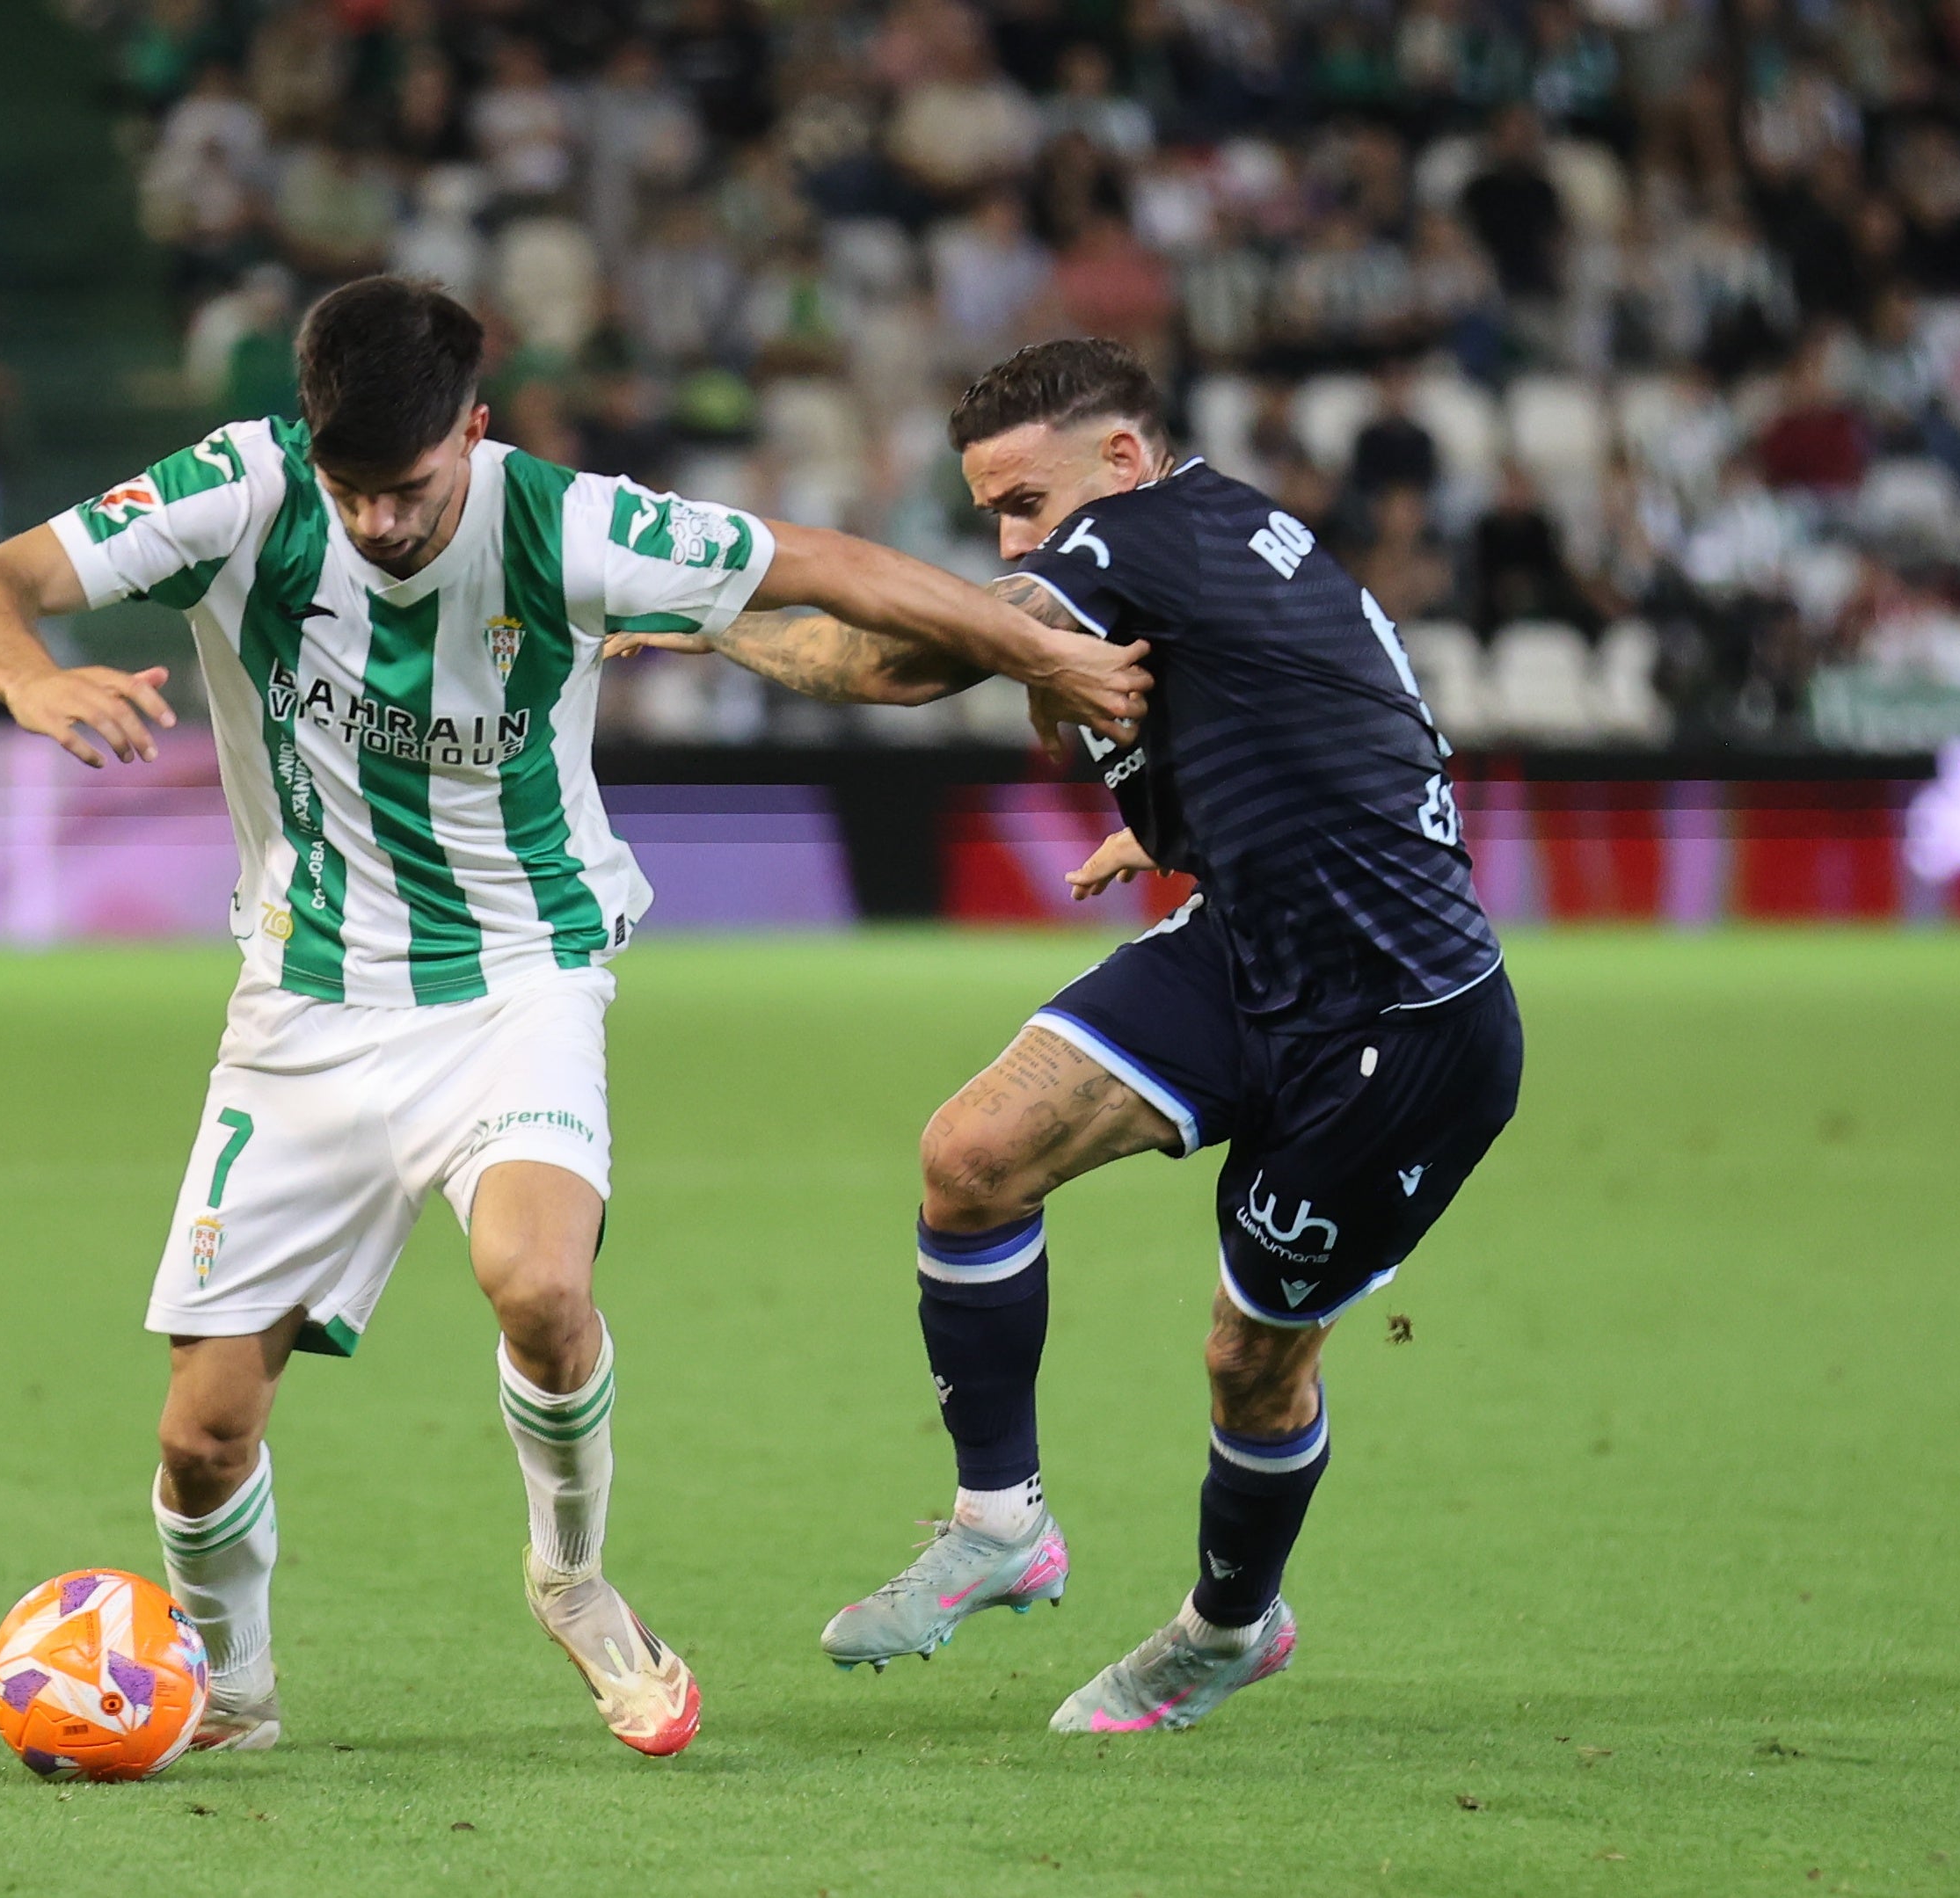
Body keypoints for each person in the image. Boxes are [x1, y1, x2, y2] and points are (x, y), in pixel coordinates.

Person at [0, 279, 1150, 1758]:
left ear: (477, 430)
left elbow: (832, 566)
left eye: (412, 486)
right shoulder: (237, 489)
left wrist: (1049, 654)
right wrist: (32, 676)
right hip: (301, 1008)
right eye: (351, 489)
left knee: (539, 1288)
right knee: (200, 1435)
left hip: (521, 977)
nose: (378, 522)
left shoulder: (570, 522)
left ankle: (571, 1581)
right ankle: (230, 1691)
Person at [608, 338, 1520, 1734]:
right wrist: (1175, 822)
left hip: (1399, 1025)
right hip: (1249, 946)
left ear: (1119, 460)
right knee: (971, 1155)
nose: (1011, 541)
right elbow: (1336, 706)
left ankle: (1227, 1626)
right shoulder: (1212, 536)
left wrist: (706, 614)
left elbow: (909, 660)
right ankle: (996, 1523)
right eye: (991, 512)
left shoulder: (1146, 529)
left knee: (1251, 1358)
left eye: (1025, 505)